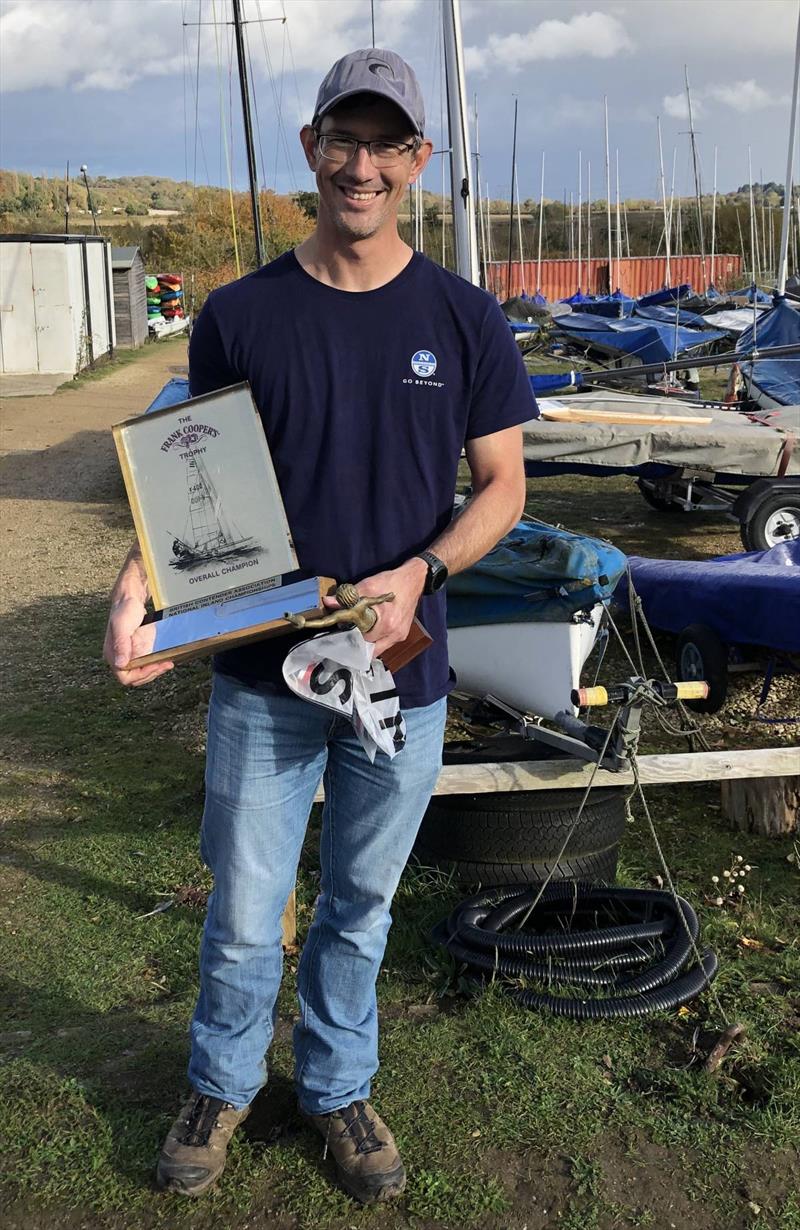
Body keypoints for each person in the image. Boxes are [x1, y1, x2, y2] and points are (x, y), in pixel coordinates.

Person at [104, 47, 536, 1206]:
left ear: (417, 163)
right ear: (310, 150)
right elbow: (190, 482)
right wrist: (137, 580)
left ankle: (339, 1086)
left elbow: (502, 486)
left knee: (358, 904)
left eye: (383, 144)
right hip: (259, 671)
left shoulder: (462, 316)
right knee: (246, 915)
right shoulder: (242, 315)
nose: (359, 166)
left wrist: (420, 570)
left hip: (401, 669)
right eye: (340, 140)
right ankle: (223, 1080)